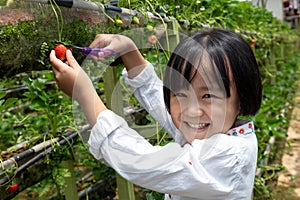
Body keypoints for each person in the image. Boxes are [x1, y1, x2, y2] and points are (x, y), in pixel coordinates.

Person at [50, 28, 262, 200]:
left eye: (207, 95)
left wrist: (84, 94)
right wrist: (129, 50)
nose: (191, 110)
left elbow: (143, 162)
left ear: (242, 97)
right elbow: (162, 103)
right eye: (180, 93)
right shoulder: (215, 128)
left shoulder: (228, 156)